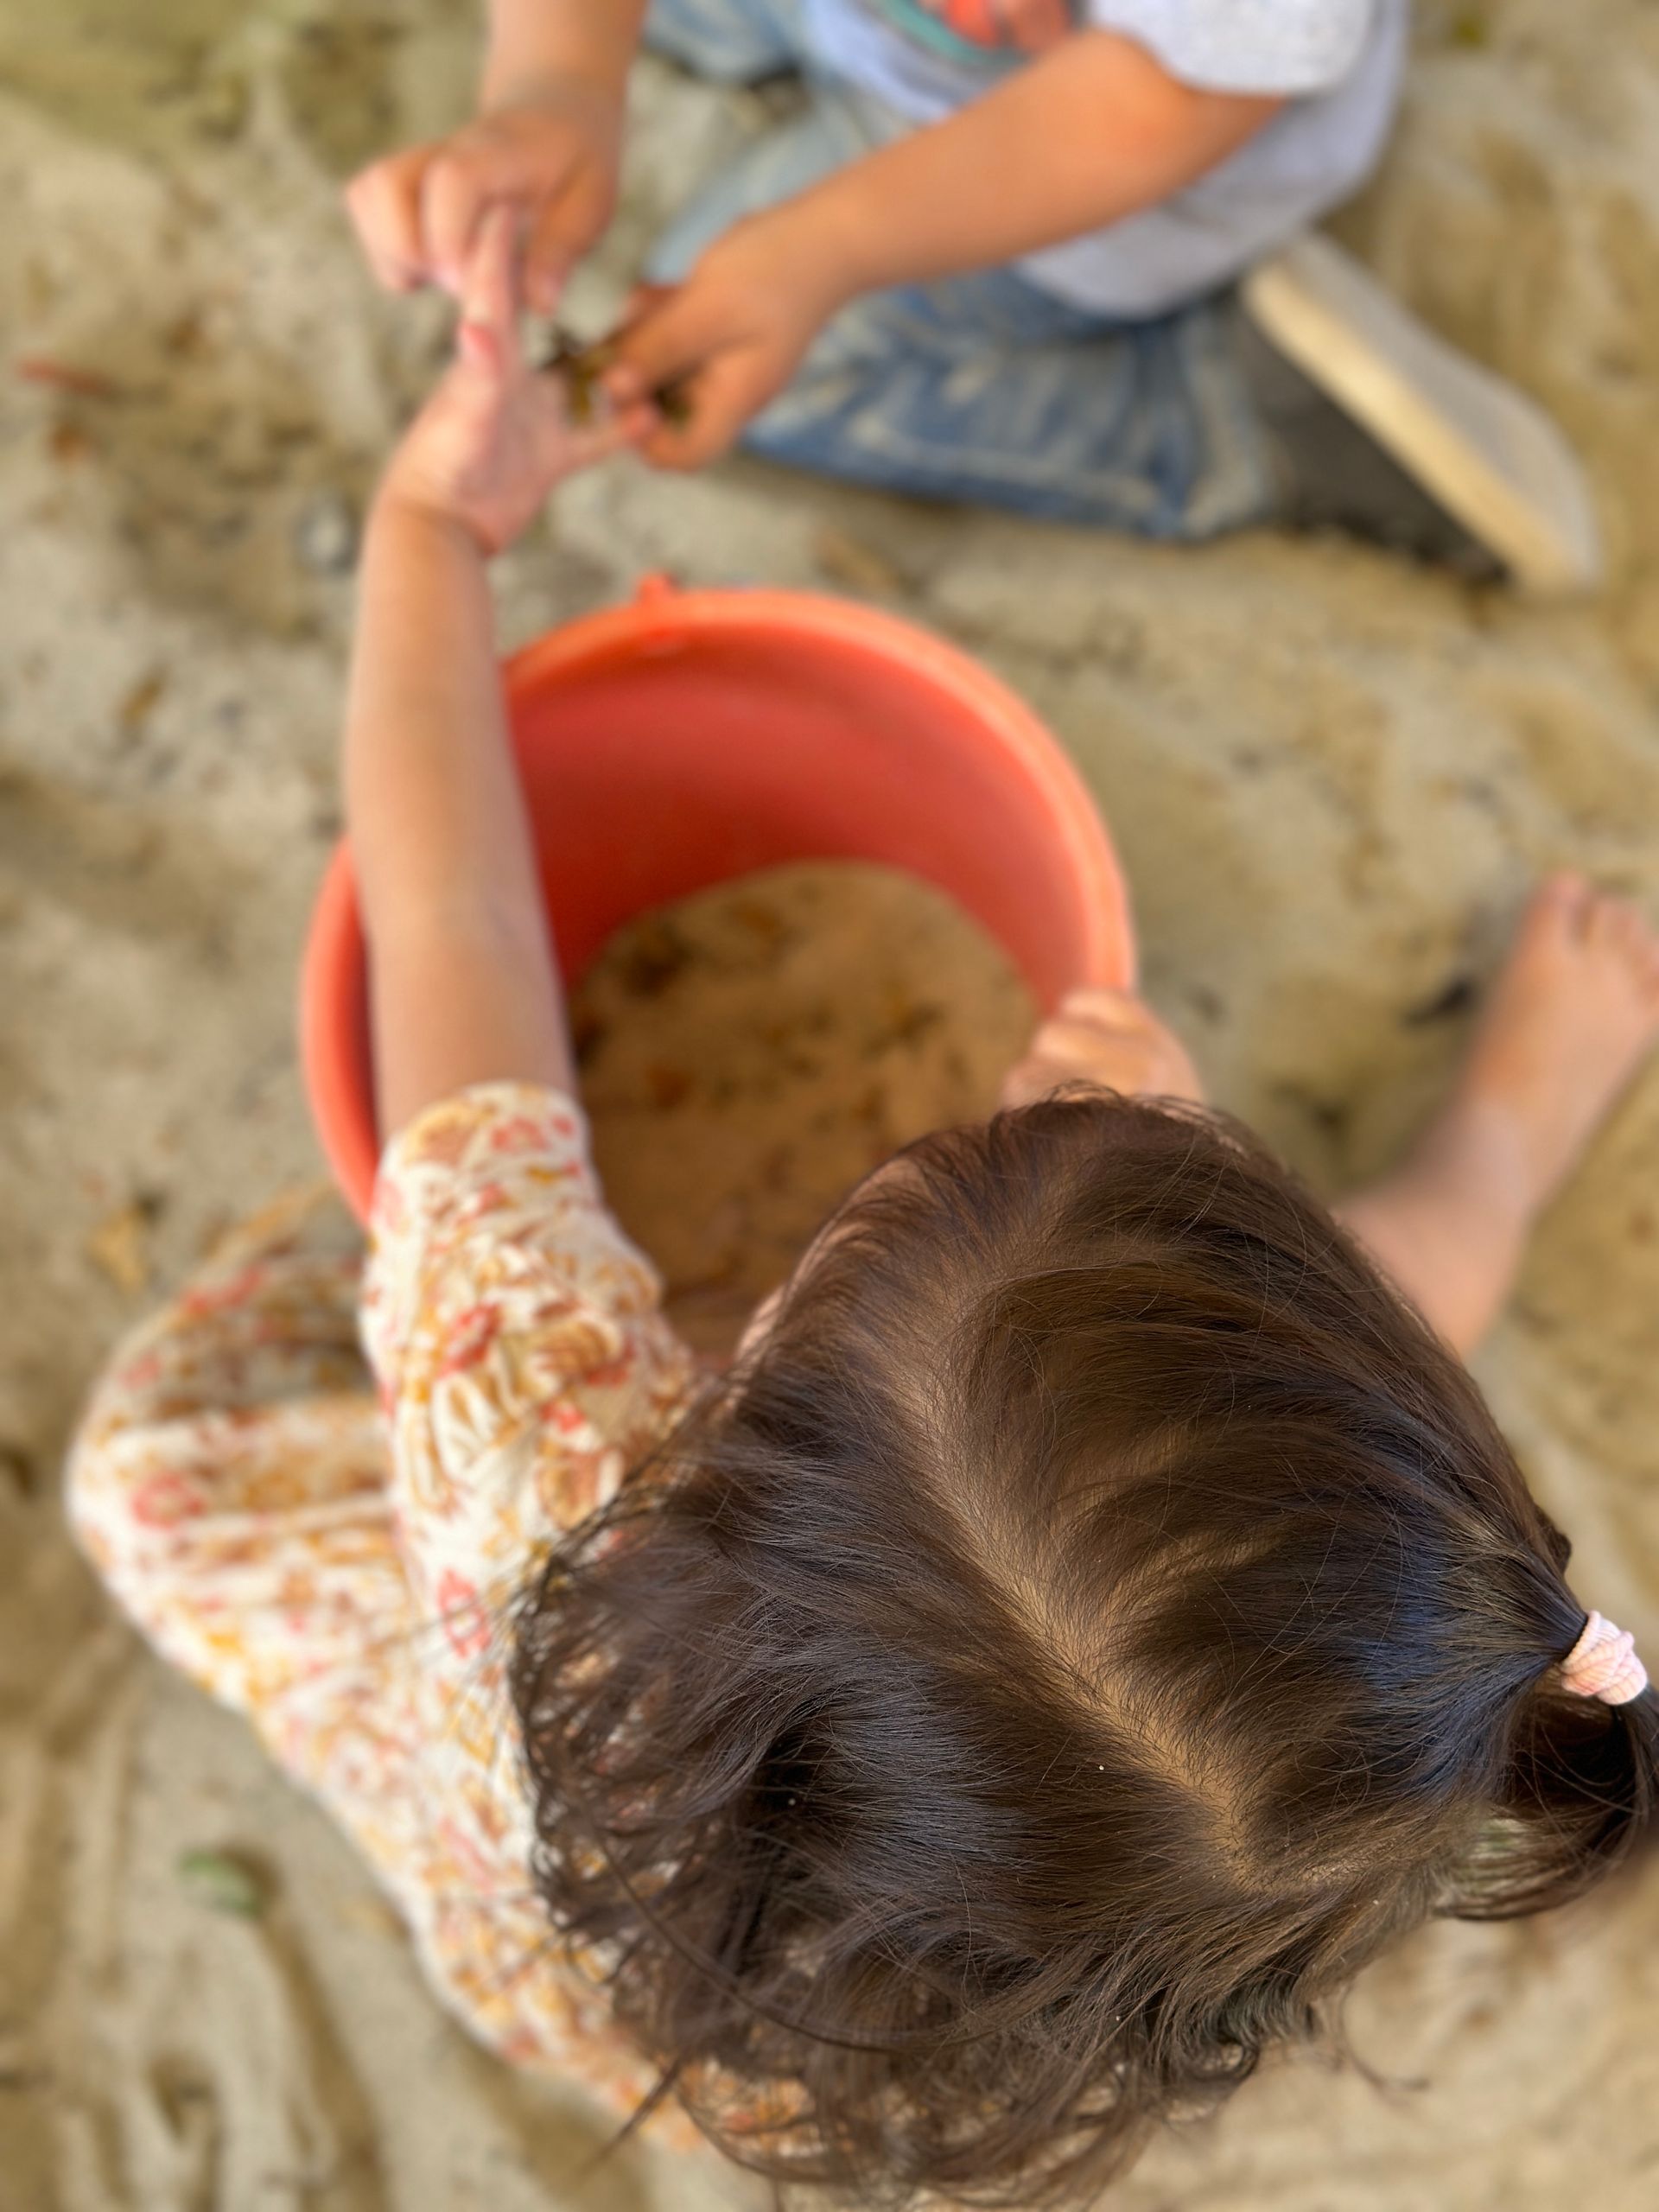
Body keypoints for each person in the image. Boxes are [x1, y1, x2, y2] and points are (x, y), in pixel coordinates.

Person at [68, 222, 1656, 2206]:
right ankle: (1505, 1133)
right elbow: (1329, 1420)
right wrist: (1441, 1150)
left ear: (743, 1430)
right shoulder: (1294, 1793)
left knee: (148, 1467)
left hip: (552, 1881)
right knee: (1269, 1499)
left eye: (868, 1220)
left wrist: (428, 529)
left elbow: (456, 908)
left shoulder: (536, 1431)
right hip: (794, 2005)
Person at [345, 0, 1602, 590]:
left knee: (727, 363)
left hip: (1114, 146)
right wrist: (557, 84)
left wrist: (819, 249)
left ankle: (1223, 411)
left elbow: (1168, 97)